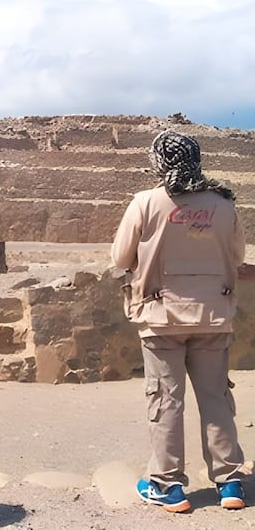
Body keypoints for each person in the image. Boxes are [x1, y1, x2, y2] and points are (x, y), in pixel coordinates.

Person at [112, 129, 248, 513]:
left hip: (161, 317)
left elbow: (121, 258)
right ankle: (230, 482)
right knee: (216, 397)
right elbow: (237, 257)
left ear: (159, 162)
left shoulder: (145, 202)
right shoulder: (224, 205)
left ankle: (167, 485)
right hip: (213, 316)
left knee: (165, 401)